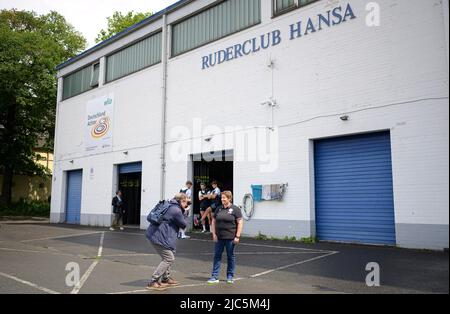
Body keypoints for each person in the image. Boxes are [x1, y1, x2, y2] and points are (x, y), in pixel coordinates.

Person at [146, 193, 188, 291]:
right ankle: (153, 281)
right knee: (169, 258)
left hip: (161, 235)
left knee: (169, 254)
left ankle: (165, 279)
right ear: (180, 201)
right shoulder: (176, 210)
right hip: (159, 236)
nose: (187, 203)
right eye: (185, 201)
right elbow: (183, 224)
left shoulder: (170, 205)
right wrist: (185, 212)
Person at [207, 191, 243, 285]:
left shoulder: (235, 209)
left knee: (230, 256)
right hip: (219, 238)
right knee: (217, 256)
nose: (222, 199)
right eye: (222, 198)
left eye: (224, 198)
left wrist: (237, 236)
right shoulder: (219, 208)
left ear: (229, 198)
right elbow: (214, 221)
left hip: (231, 238)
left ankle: (230, 276)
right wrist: (214, 234)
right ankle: (215, 277)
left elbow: (240, 222)